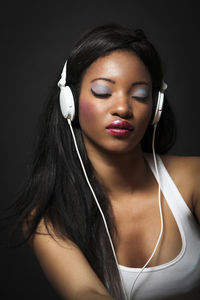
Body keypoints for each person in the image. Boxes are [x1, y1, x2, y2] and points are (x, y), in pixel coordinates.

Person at [12, 23, 200, 300]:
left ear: (156, 109)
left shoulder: (193, 177)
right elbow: (85, 292)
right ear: (69, 102)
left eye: (140, 95)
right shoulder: (48, 216)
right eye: (102, 91)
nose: (123, 108)